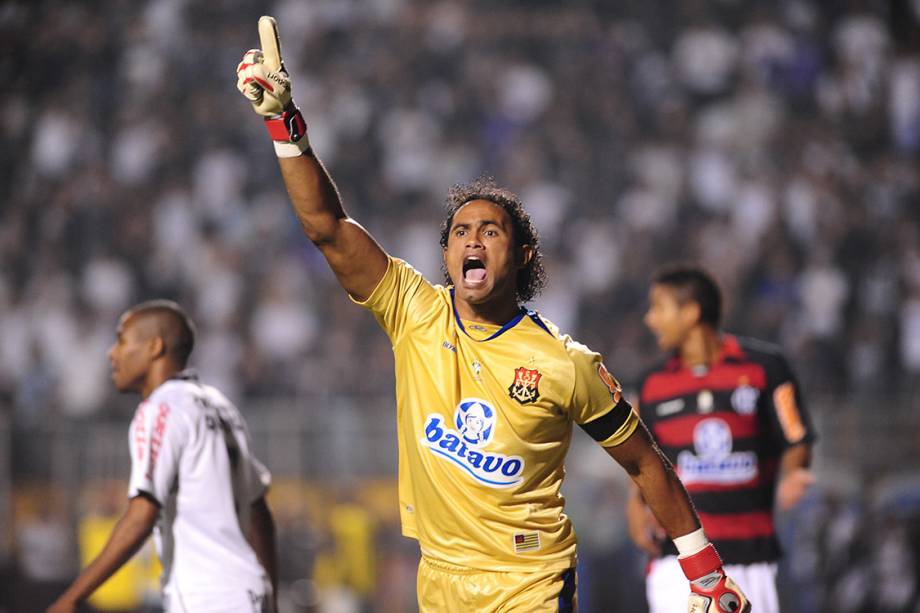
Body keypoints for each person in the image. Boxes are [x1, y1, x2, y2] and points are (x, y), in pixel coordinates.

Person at [236, 17, 749, 612]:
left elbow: (644, 462)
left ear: (522, 254)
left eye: (489, 231)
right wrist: (285, 126)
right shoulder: (411, 310)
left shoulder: (564, 362)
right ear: (448, 253)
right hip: (441, 580)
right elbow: (326, 228)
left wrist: (706, 572)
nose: (471, 240)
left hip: (528, 582)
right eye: (459, 232)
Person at [48, 300, 278, 613]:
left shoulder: (161, 409)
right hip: (248, 590)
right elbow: (259, 511)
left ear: (155, 347)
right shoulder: (219, 404)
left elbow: (141, 514)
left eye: (122, 340)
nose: (111, 353)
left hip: (209, 597)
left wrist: (70, 598)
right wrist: (271, 594)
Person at [627, 265, 818, 613]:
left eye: (659, 307)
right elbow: (640, 458)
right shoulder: (651, 383)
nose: (650, 319)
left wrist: (794, 473)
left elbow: (796, 437)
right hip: (679, 559)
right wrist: (635, 505)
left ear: (691, 312)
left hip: (751, 558)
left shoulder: (767, 368)